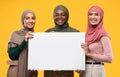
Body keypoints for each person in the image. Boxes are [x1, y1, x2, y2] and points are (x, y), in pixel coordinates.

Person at [45, 5, 79, 77]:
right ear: (53, 17)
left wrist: (79, 65)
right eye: (56, 15)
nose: (59, 17)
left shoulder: (75, 33)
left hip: (67, 72)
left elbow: (79, 54)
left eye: (63, 15)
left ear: (67, 16)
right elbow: (41, 53)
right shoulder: (47, 33)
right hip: (50, 72)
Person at [80, 6, 113, 77]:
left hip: (96, 69)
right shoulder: (87, 34)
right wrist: (79, 65)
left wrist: (89, 54)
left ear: (101, 17)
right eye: (90, 14)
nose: (93, 17)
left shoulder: (103, 34)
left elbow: (109, 58)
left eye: (96, 14)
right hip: (85, 70)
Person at [7, 10, 38, 77]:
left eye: (33, 18)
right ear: (23, 20)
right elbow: (12, 56)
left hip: (31, 73)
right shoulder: (15, 34)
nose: (31, 21)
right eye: (27, 18)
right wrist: (24, 41)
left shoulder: (36, 37)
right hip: (16, 72)